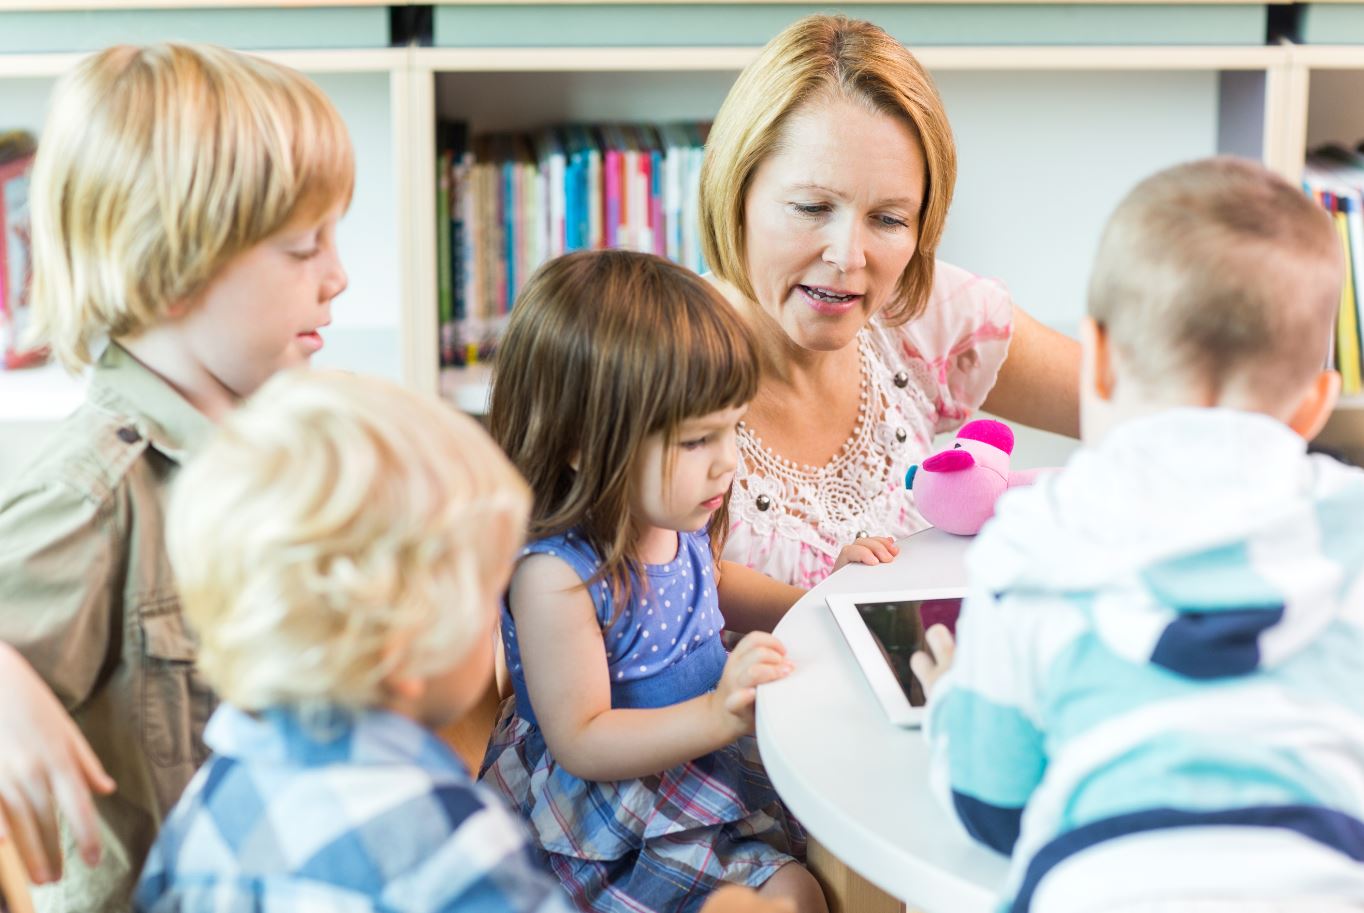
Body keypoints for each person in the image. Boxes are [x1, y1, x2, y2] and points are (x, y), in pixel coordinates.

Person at [915, 157, 1364, 912]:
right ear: (1316, 401)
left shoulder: (1035, 541)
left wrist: (951, 703)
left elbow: (989, 805)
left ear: (1095, 361)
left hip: (1096, 882)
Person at [0, 42, 351, 910]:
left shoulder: (279, 435)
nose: (337, 275)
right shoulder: (93, 491)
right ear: (171, 272)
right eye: (303, 247)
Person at [483, 250, 845, 913]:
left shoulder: (668, 511)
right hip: (612, 804)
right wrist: (715, 714)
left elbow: (716, 579)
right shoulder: (555, 575)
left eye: (732, 429)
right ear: (583, 443)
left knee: (807, 877)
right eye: (695, 441)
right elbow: (582, 737)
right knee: (793, 891)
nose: (728, 462)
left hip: (700, 755)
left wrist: (821, 602)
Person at [697, 13, 1080, 588]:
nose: (849, 257)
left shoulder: (926, 315)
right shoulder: (649, 360)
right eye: (811, 207)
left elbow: (1162, 405)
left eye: (889, 219)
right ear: (737, 191)